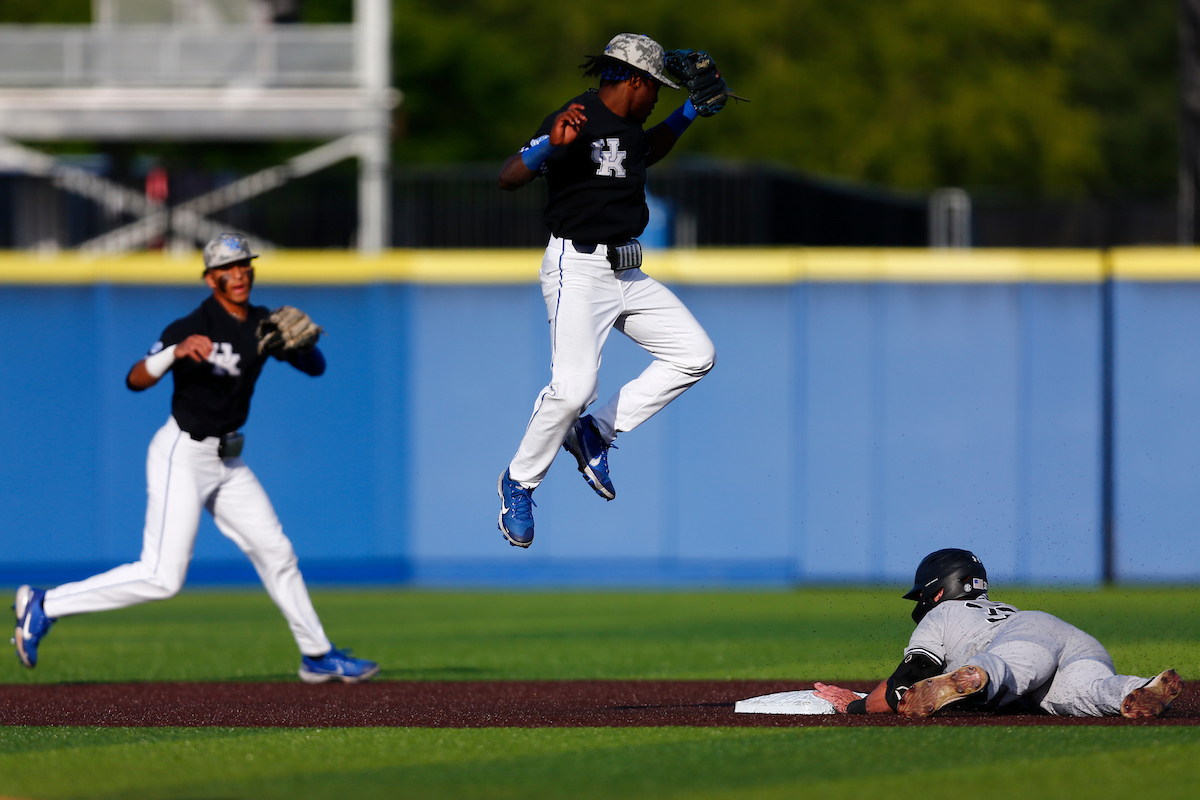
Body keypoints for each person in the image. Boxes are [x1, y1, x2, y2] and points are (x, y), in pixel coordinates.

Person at [12, 233, 379, 684]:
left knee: (277, 552)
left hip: (229, 462)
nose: (238, 274)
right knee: (162, 577)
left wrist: (303, 344)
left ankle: (317, 654)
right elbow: (135, 379)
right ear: (210, 279)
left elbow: (316, 368)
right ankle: (45, 604)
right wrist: (175, 352)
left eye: (244, 265)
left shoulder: (262, 324)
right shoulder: (189, 327)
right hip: (182, 454)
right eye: (227, 269)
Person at [495, 33, 721, 547]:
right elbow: (508, 177)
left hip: (624, 273)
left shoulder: (629, 128)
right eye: (656, 87)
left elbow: (644, 151)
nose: (658, 96)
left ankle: (595, 431)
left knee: (694, 354)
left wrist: (689, 112)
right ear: (635, 81)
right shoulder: (576, 117)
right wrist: (551, 143)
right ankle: (519, 480)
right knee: (573, 388)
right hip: (577, 268)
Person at [813, 548, 1183, 718]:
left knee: (1000, 668)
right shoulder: (1002, 608)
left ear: (937, 591)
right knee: (1088, 692)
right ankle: (1137, 689)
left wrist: (856, 705)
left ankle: (980, 675)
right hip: (1068, 639)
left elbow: (910, 677)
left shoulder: (942, 613)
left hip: (1024, 641)